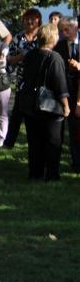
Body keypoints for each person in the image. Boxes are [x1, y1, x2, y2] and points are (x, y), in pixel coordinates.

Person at [18, 24, 70, 181]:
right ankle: (52, 174)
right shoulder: (55, 58)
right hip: (50, 106)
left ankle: (35, 172)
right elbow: (60, 84)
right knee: (53, 142)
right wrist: (66, 105)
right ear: (53, 38)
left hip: (31, 104)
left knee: (35, 142)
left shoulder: (30, 55)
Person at [2, 8, 41, 149]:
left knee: (36, 113)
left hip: (40, 80)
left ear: (38, 20)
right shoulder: (18, 38)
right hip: (22, 81)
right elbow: (9, 60)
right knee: (18, 112)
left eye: (33, 18)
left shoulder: (43, 36)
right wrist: (22, 56)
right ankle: (8, 143)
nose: (30, 21)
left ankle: (35, 144)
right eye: (27, 18)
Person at [55, 16, 80, 172]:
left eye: (66, 29)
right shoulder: (59, 45)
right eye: (61, 30)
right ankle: (75, 162)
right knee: (71, 128)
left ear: (76, 27)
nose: (63, 33)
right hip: (65, 91)